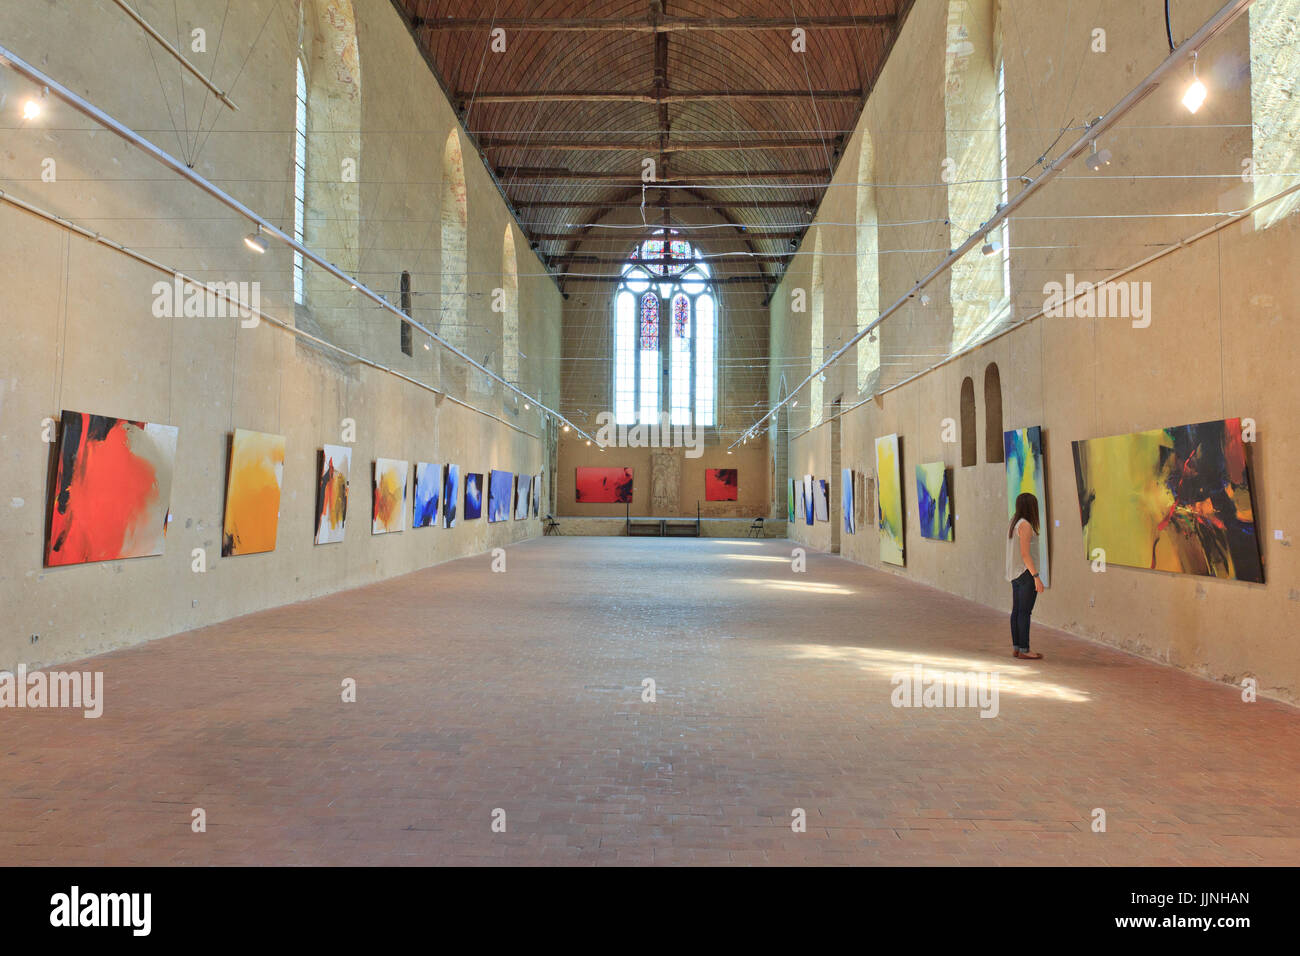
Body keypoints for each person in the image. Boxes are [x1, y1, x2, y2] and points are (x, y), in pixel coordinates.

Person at [1006, 492, 1045, 660]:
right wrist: (1036, 576)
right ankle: (1024, 649)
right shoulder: (1026, 526)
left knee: (1017, 611)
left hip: (1015, 573)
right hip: (1025, 573)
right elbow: (1025, 554)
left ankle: (1017, 647)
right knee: (1024, 612)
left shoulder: (1014, 523)